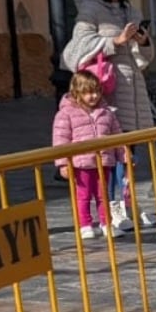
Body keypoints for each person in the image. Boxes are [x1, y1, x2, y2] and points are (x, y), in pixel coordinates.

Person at [61, 0, 156, 229]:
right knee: (113, 155)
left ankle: (128, 203)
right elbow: (77, 48)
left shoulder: (131, 10)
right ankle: (111, 208)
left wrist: (142, 40)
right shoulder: (90, 9)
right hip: (109, 91)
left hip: (134, 89)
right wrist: (114, 41)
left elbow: (143, 57)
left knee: (131, 155)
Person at [51, 69, 124, 240]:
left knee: (103, 194)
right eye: (88, 93)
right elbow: (60, 140)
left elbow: (117, 136)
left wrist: (123, 155)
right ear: (77, 93)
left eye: (96, 92)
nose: (93, 96)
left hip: (103, 160)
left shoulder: (107, 113)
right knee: (83, 195)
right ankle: (85, 224)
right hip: (80, 162)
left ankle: (106, 223)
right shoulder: (66, 114)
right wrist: (62, 163)